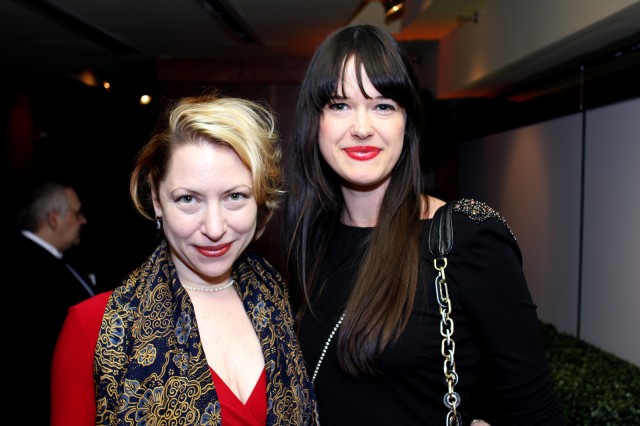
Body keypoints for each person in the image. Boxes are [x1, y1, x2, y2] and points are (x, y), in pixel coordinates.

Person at [282, 24, 566, 426]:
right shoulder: (310, 240)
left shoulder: (467, 236)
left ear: (407, 122)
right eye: (339, 105)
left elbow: (537, 413)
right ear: (315, 121)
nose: (361, 127)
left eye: (383, 106)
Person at [51, 95, 318, 425]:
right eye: (188, 199)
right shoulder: (91, 328)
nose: (215, 229)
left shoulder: (287, 307)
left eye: (235, 196)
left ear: (260, 198)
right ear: (156, 199)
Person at [8, 180, 95, 425]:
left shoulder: (60, 260)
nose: (83, 221)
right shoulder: (27, 267)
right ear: (53, 219)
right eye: (77, 213)